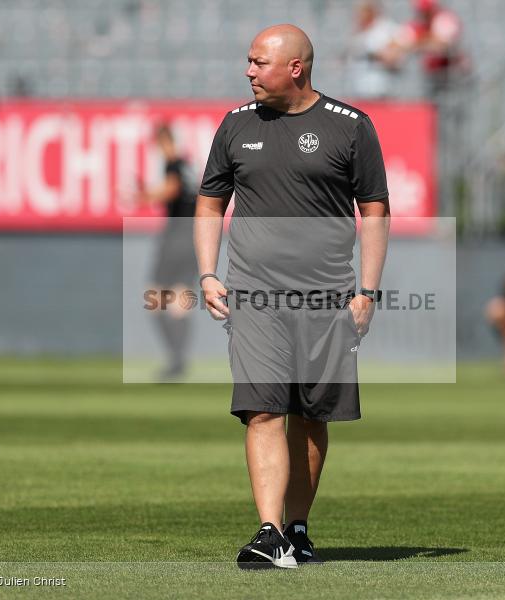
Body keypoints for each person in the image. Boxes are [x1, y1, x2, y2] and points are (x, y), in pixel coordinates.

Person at [195, 24, 390, 569]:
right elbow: (211, 203)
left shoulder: (351, 127)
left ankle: (298, 529)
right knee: (261, 410)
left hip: (327, 299)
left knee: (311, 416)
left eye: (259, 62)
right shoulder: (235, 125)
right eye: (249, 61)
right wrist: (208, 274)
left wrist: (368, 291)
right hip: (254, 295)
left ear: (296, 68)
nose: (248, 71)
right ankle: (268, 532)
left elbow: (374, 210)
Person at [137, 124, 197, 381]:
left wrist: (144, 196)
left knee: (156, 297)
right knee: (179, 301)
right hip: (194, 238)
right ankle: (179, 360)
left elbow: (171, 189)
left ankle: (176, 359)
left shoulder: (173, 165)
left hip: (176, 239)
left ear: (163, 142)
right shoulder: (189, 167)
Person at [397, 0, 469, 94]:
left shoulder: (445, 18)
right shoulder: (417, 25)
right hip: (431, 77)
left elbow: (441, 44)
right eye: (421, 10)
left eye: (426, 10)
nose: (423, 13)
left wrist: (418, 43)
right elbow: (399, 46)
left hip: (453, 76)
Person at [347, 1, 404, 99]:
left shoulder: (386, 28)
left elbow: (395, 55)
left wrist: (375, 54)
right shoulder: (359, 33)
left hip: (380, 88)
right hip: (360, 89)